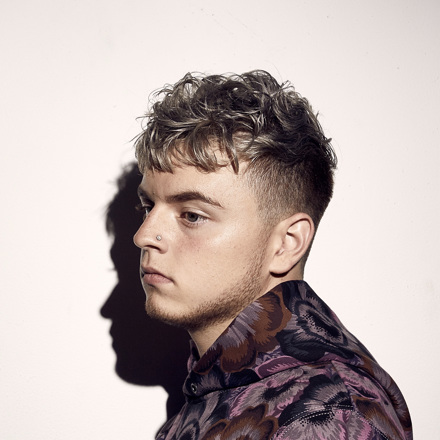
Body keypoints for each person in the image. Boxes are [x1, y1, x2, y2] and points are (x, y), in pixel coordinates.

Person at [133, 71, 412, 439]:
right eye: (148, 206)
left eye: (192, 215)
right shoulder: (211, 397)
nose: (143, 236)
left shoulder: (327, 415)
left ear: (287, 243)